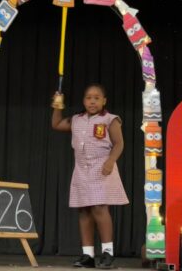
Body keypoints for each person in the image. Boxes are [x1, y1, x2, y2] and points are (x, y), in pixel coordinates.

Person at [51, 83, 129, 269]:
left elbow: (119, 144)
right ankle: (88, 255)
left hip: (102, 168)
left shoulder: (111, 119)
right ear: (83, 101)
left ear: (104, 100)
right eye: (88, 97)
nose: (92, 101)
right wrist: (57, 105)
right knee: (84, 211)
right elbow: (56, 124)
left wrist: (110, 161)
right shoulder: (77, 119)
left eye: (96, 98)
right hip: (81, 170)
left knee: (100, 209)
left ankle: (108, 252)